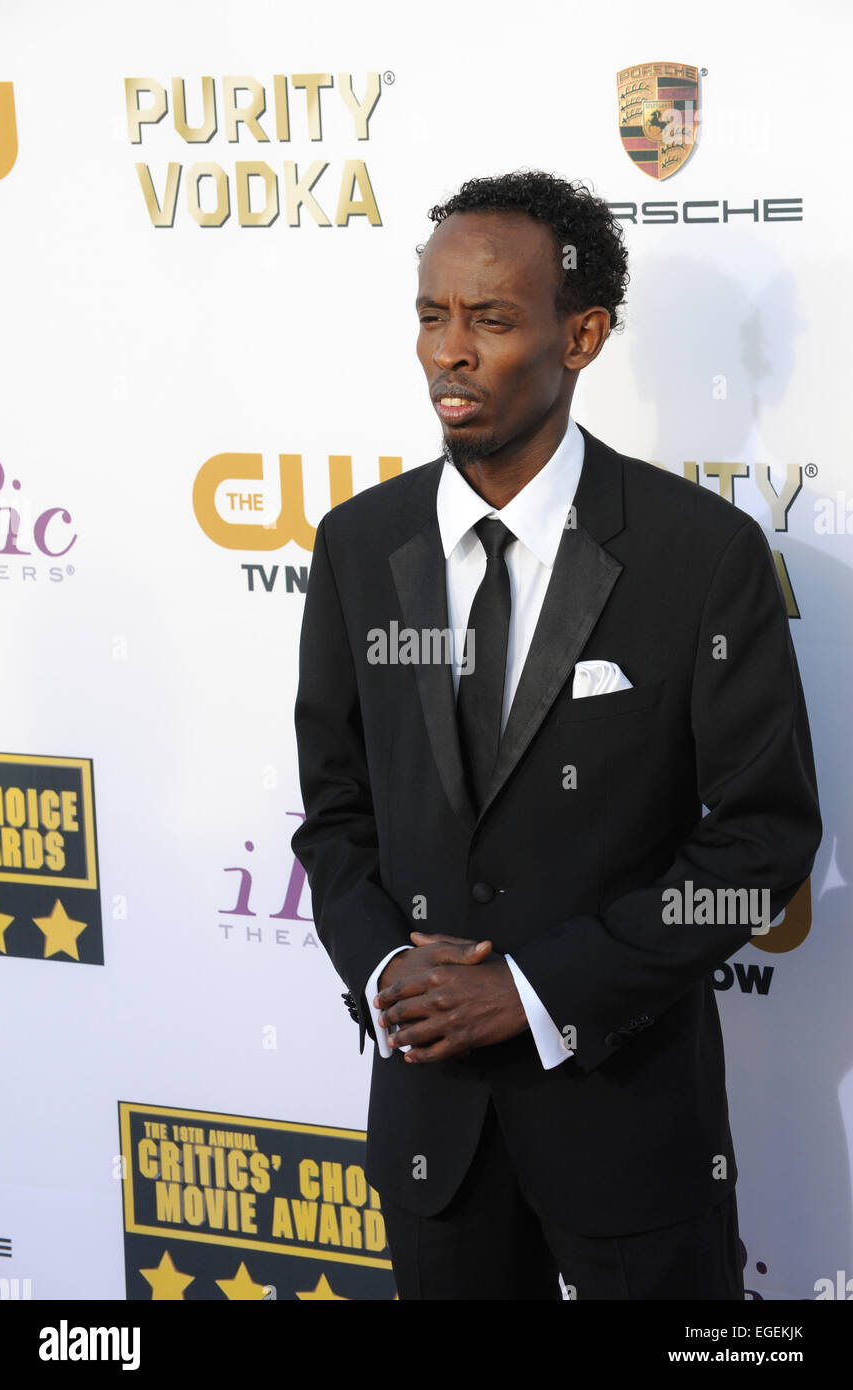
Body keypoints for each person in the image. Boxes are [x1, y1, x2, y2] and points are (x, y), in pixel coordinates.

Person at [290, 170, 821, 1300]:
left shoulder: (700, 556)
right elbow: (336, 815)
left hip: (632, 1130)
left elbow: (761, 850)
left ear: (581, 335)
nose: (450, 352)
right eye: (433, 316)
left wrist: (534, 988)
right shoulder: (355, 546)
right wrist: (388, 965)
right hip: (432, 1137)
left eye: (490, 319)